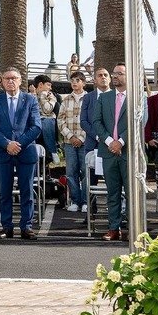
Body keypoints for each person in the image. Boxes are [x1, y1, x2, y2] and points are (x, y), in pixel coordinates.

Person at [0, 67, 42, 239]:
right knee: (4, 192)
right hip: (3, 152)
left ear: (20, 80)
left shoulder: (30, 100)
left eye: (14, 78)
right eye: (7, 78)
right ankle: (7, 227)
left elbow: (36, 126)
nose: (10, 81)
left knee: (27, 191)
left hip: (25, 151)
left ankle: (26, 226)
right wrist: (6, 143)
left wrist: (19, 143)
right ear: (2, 81)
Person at [86, 64, 133, 241]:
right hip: (108, 151)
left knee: (131, 192)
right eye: (114, 74)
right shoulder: (104, 98)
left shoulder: (137, 97)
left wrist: (120, 142)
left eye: (120, 74)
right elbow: (96, 122)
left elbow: (139, 123)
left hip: (128, 152)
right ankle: (114, 228)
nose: (115, 77)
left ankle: (132, 228)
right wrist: (109, 142)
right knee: (112, 192)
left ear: (129, 76)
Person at [58, 75, 93, 213]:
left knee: (86, 172)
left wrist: (82, 138)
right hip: (69, 142)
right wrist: (71, 137)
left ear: (83, 83)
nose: (74, 83)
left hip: (86, 142)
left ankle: (85, 201)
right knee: (71, 173)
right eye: (72, 81)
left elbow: (93, 120)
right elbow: (60, 121)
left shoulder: (90, 99)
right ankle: (74, 200)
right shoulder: (65, 100)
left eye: (77, 80)